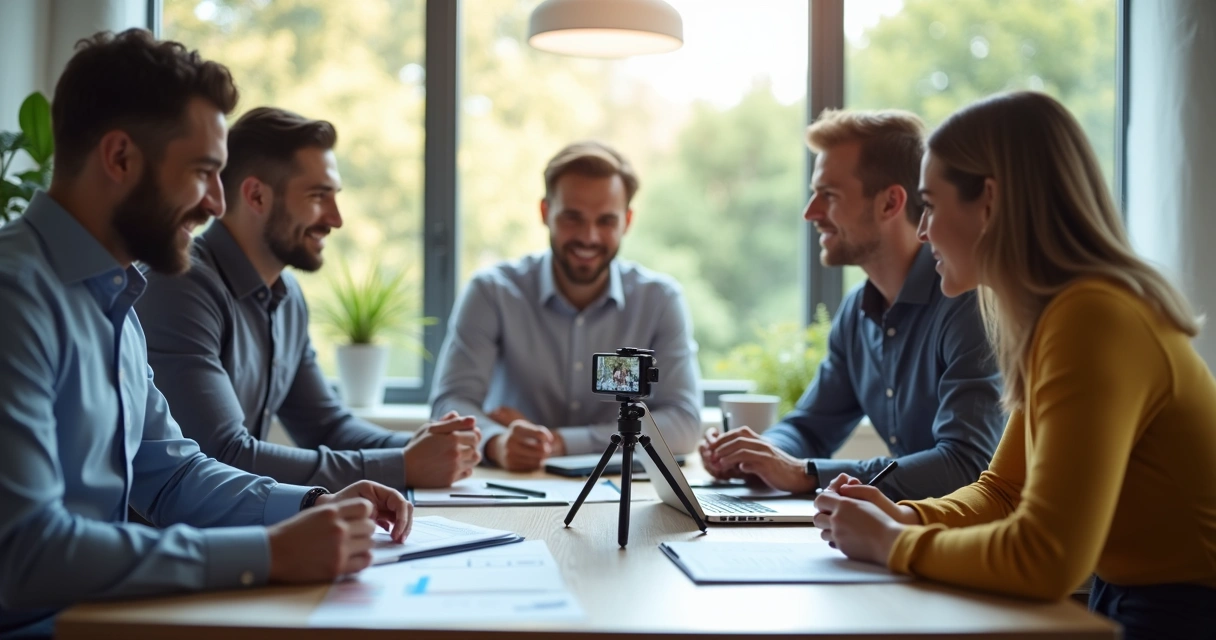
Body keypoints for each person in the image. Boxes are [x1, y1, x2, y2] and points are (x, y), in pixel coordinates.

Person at [0, 30, 411, 639]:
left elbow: (172, 472)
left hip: (100, 621)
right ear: (119, 159)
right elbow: (26, 556)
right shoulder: (16, 300)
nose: (219, 205)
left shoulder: (117, 297)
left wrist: (307, 507)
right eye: (203, 172)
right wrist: (268, 555)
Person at [813, 91, 1216, 638]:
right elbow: (1003, 492)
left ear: (991, 202)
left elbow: (1045, 557)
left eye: (930, 205)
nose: (923, 229)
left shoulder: (1093, 318)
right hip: (1129, 598)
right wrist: (903, 514)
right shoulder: (1059, 316)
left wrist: (891, 543)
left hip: (1183, 612)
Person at [136, 107, 481, 490]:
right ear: (256, 196)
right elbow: (222, 454)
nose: (335, 219)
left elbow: (326, 426)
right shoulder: (181, 284)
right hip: (174, 539)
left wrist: (427, 448)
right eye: (319, 196)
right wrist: (400, 466)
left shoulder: (287, 297)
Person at [699, 109, 1005, 501]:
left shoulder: (969, 304)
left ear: (890, 203)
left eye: (829, 195)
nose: (810, 213)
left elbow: (966, 465)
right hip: (912, 530)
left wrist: (807, 473)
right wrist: (753, 456)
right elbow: (810, 428)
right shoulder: (857, 310)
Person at [429, 141, 702, 472]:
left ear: (627, 221)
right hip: (516, 486)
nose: (589, 237)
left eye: (606, 221)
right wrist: (497, 442)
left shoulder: (660, 300)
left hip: (618, 494)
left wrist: (559, 442)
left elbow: (684, 424)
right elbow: (451, 404)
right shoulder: (492, 292)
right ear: (545, 212)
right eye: (572, 218)